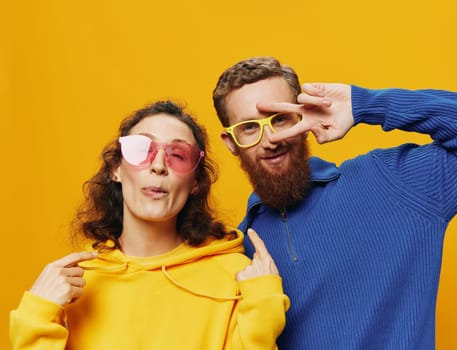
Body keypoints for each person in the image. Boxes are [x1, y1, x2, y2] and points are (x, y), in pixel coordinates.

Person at [212, 56, 457, 350]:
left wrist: (365, 105)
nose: (270, 138)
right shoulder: (237, 255)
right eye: (249, 127)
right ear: (231, 143)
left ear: (303, 115)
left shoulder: (392, 184)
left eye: (281, 119)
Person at [9, 100, 289, 349]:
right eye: (140, 149)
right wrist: (37, 314)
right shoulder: (75, 283)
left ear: (195, 183)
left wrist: (263, 307)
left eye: (178, 155)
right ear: (115, 169)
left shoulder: (235, 276)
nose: (158, 165)